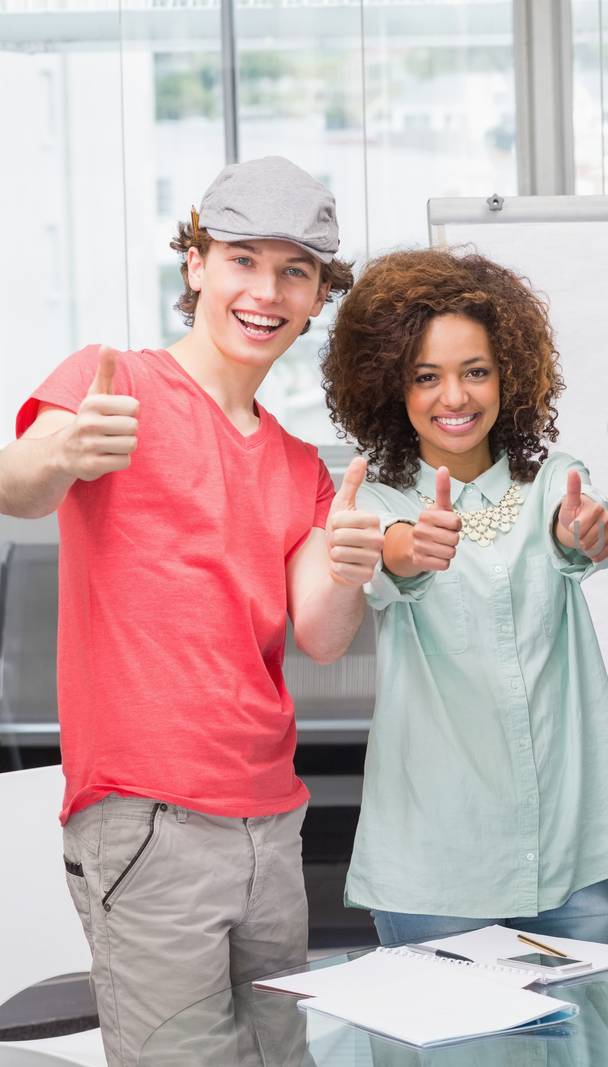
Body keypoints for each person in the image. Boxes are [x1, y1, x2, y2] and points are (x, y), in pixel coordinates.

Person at [0, 156, 378, 1066]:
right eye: (244, 259)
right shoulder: (114, 384)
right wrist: (64, 455)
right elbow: (17, 484)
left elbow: (321, 635)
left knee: (283, 1058)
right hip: (149, 817)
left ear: (319, 294)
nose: (267, 290)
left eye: (296, 271)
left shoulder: (297, 465)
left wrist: (353, 565)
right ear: (197, 263)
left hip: (272, 821)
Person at [322, 248, 608, 947]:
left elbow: (580, 528)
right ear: (391, 386)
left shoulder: (550, 483)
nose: (455, 397)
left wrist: (584, 531)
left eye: (476, 371)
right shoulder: (382, 502)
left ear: (510, 374)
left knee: (583, 1051)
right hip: (435, 866)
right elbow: (392, 553)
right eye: (427, 377)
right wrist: (407, 548)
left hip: (568, 855)